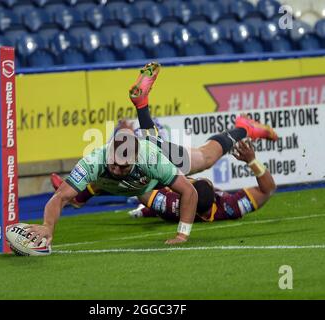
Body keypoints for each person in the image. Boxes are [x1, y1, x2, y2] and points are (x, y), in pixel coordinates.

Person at [27, 62, 278, 246]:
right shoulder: (94, 160)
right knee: (163, 156)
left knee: (204, 158)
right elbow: (57, 198)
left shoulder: (152, 161)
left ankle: (243, 127)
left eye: (122, 165)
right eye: (114, 163)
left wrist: (182, 234)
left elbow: (186, 192)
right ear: (108, 153)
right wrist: (48, 226)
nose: (116, 167)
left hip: (154, 162)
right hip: (144, 163)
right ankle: (143, 106)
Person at [128, 139, 276, 223]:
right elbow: (268, 189)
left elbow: (141, 191)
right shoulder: (229, 208)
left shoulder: (171, 206)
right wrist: (252, 161)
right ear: (215, 197)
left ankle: (145, 211)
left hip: (165, 194)